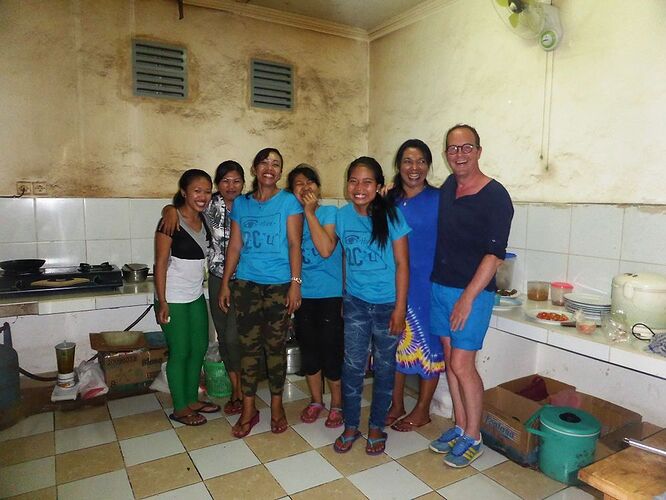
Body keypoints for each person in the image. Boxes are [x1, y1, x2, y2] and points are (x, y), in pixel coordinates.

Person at [428, 124, 513, 467]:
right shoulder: (449, 187)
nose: (459, 154)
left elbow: (494, 255)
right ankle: (461, 427)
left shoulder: (495, 196)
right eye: (452, 149)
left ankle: (474, 436)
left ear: (479, 151)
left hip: (472, 293)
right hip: (440, 287)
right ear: (446, 154)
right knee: (451, 362)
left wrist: (467, 298)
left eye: (466, 148)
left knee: (463, 365)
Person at [219, 147, 303, 438]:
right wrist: (227, 282)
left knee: (275, 350)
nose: (270, 168)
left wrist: (295, 282)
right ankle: (249, 408)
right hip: (246, 284)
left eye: (276, 164)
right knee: (249, 350)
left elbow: (295, 244)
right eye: (264, 163)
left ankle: (277, 406)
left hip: (279, 285)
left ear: (280, 172)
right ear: (254, 169)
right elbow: (235, 246)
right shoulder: (242, 204)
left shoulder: (289, 202)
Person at [333, 156, 410, 455]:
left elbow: (403, 264)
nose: (359, 187)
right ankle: (351, 425)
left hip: (387, 304)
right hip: (355, 301)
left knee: (384, 366)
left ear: (378, 187)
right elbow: (342, 258)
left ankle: (376, 425)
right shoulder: (341, 216)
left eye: (367, 182)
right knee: (352, 366)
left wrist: (400, 308)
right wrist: (344, 296)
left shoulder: (391, 217)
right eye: (353, 181)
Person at [161, 161, 246, 416]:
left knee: (221, 341)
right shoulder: (207, 206)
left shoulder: (251, 205)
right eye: (225, 181)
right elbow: (179, 209)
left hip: (239, 281)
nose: (230, 186)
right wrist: (169, 209)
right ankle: (226, 394)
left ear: (244, 182)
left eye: (236, 180)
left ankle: (236, 393)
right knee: (211, 340)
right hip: (211, 281)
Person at [385, 139, 446, 432]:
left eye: (421, 161)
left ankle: (422, 410)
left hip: (429, 284)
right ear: (399, 165)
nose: (414, 167)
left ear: (429, 166)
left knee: (429, 346)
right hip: (395, 283)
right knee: (395, 343)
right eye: (408, 161)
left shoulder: (441, 198)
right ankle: (396, 404)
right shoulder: (388, 201)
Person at [154, 169, 220, 426]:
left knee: (199, 348)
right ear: (184, 192)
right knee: (180, 352)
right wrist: (162, 301)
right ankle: (180, 408)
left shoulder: (204, 219)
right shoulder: (171, 221)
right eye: (197, 190)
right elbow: (160, 263)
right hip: (173, 298)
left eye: (206, 191)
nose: (202, 196)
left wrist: (167, 207)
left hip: (194, 296)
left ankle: (192, 399)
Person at [287, 164, 344, 428]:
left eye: (311, 182)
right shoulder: (290, 217)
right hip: (303, 296)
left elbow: (325, 249)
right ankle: (315, 401)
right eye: (299, 183)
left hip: (331, 296)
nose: (306, 186)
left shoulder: (330, 212)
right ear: (291, 191)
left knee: (331, 353)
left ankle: (336, 404)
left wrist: (310, 213)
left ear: (318, 189)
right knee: (309, 353)